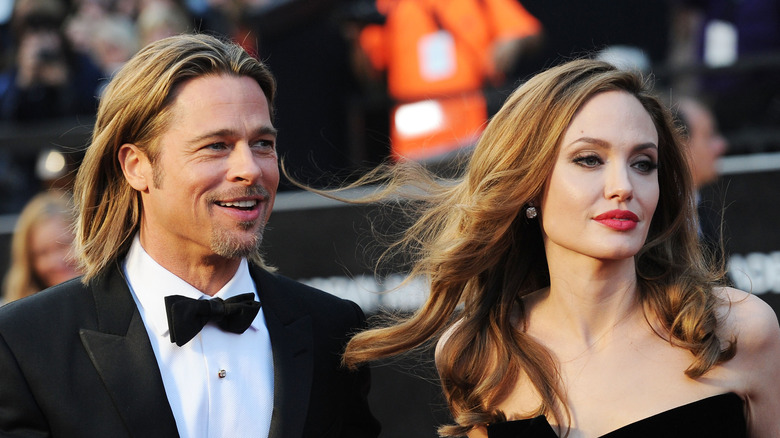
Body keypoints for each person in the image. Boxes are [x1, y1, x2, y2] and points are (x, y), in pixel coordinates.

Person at [340, 59, 780, 436]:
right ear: (530, 182)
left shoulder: (735, 330)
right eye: (589, 159)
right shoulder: (479, 352)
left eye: (643, 163)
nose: (623, 187)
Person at [0, 33, 380, 437]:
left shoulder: (332, 330)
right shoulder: (26, 345)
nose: (250, 169)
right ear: (136, 166)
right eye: (216, 146)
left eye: (262, 144)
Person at [2, 190, 81, 303]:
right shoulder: (18, 315)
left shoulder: (113, 303)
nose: (56, 261)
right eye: (43, 253)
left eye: (63, 245)